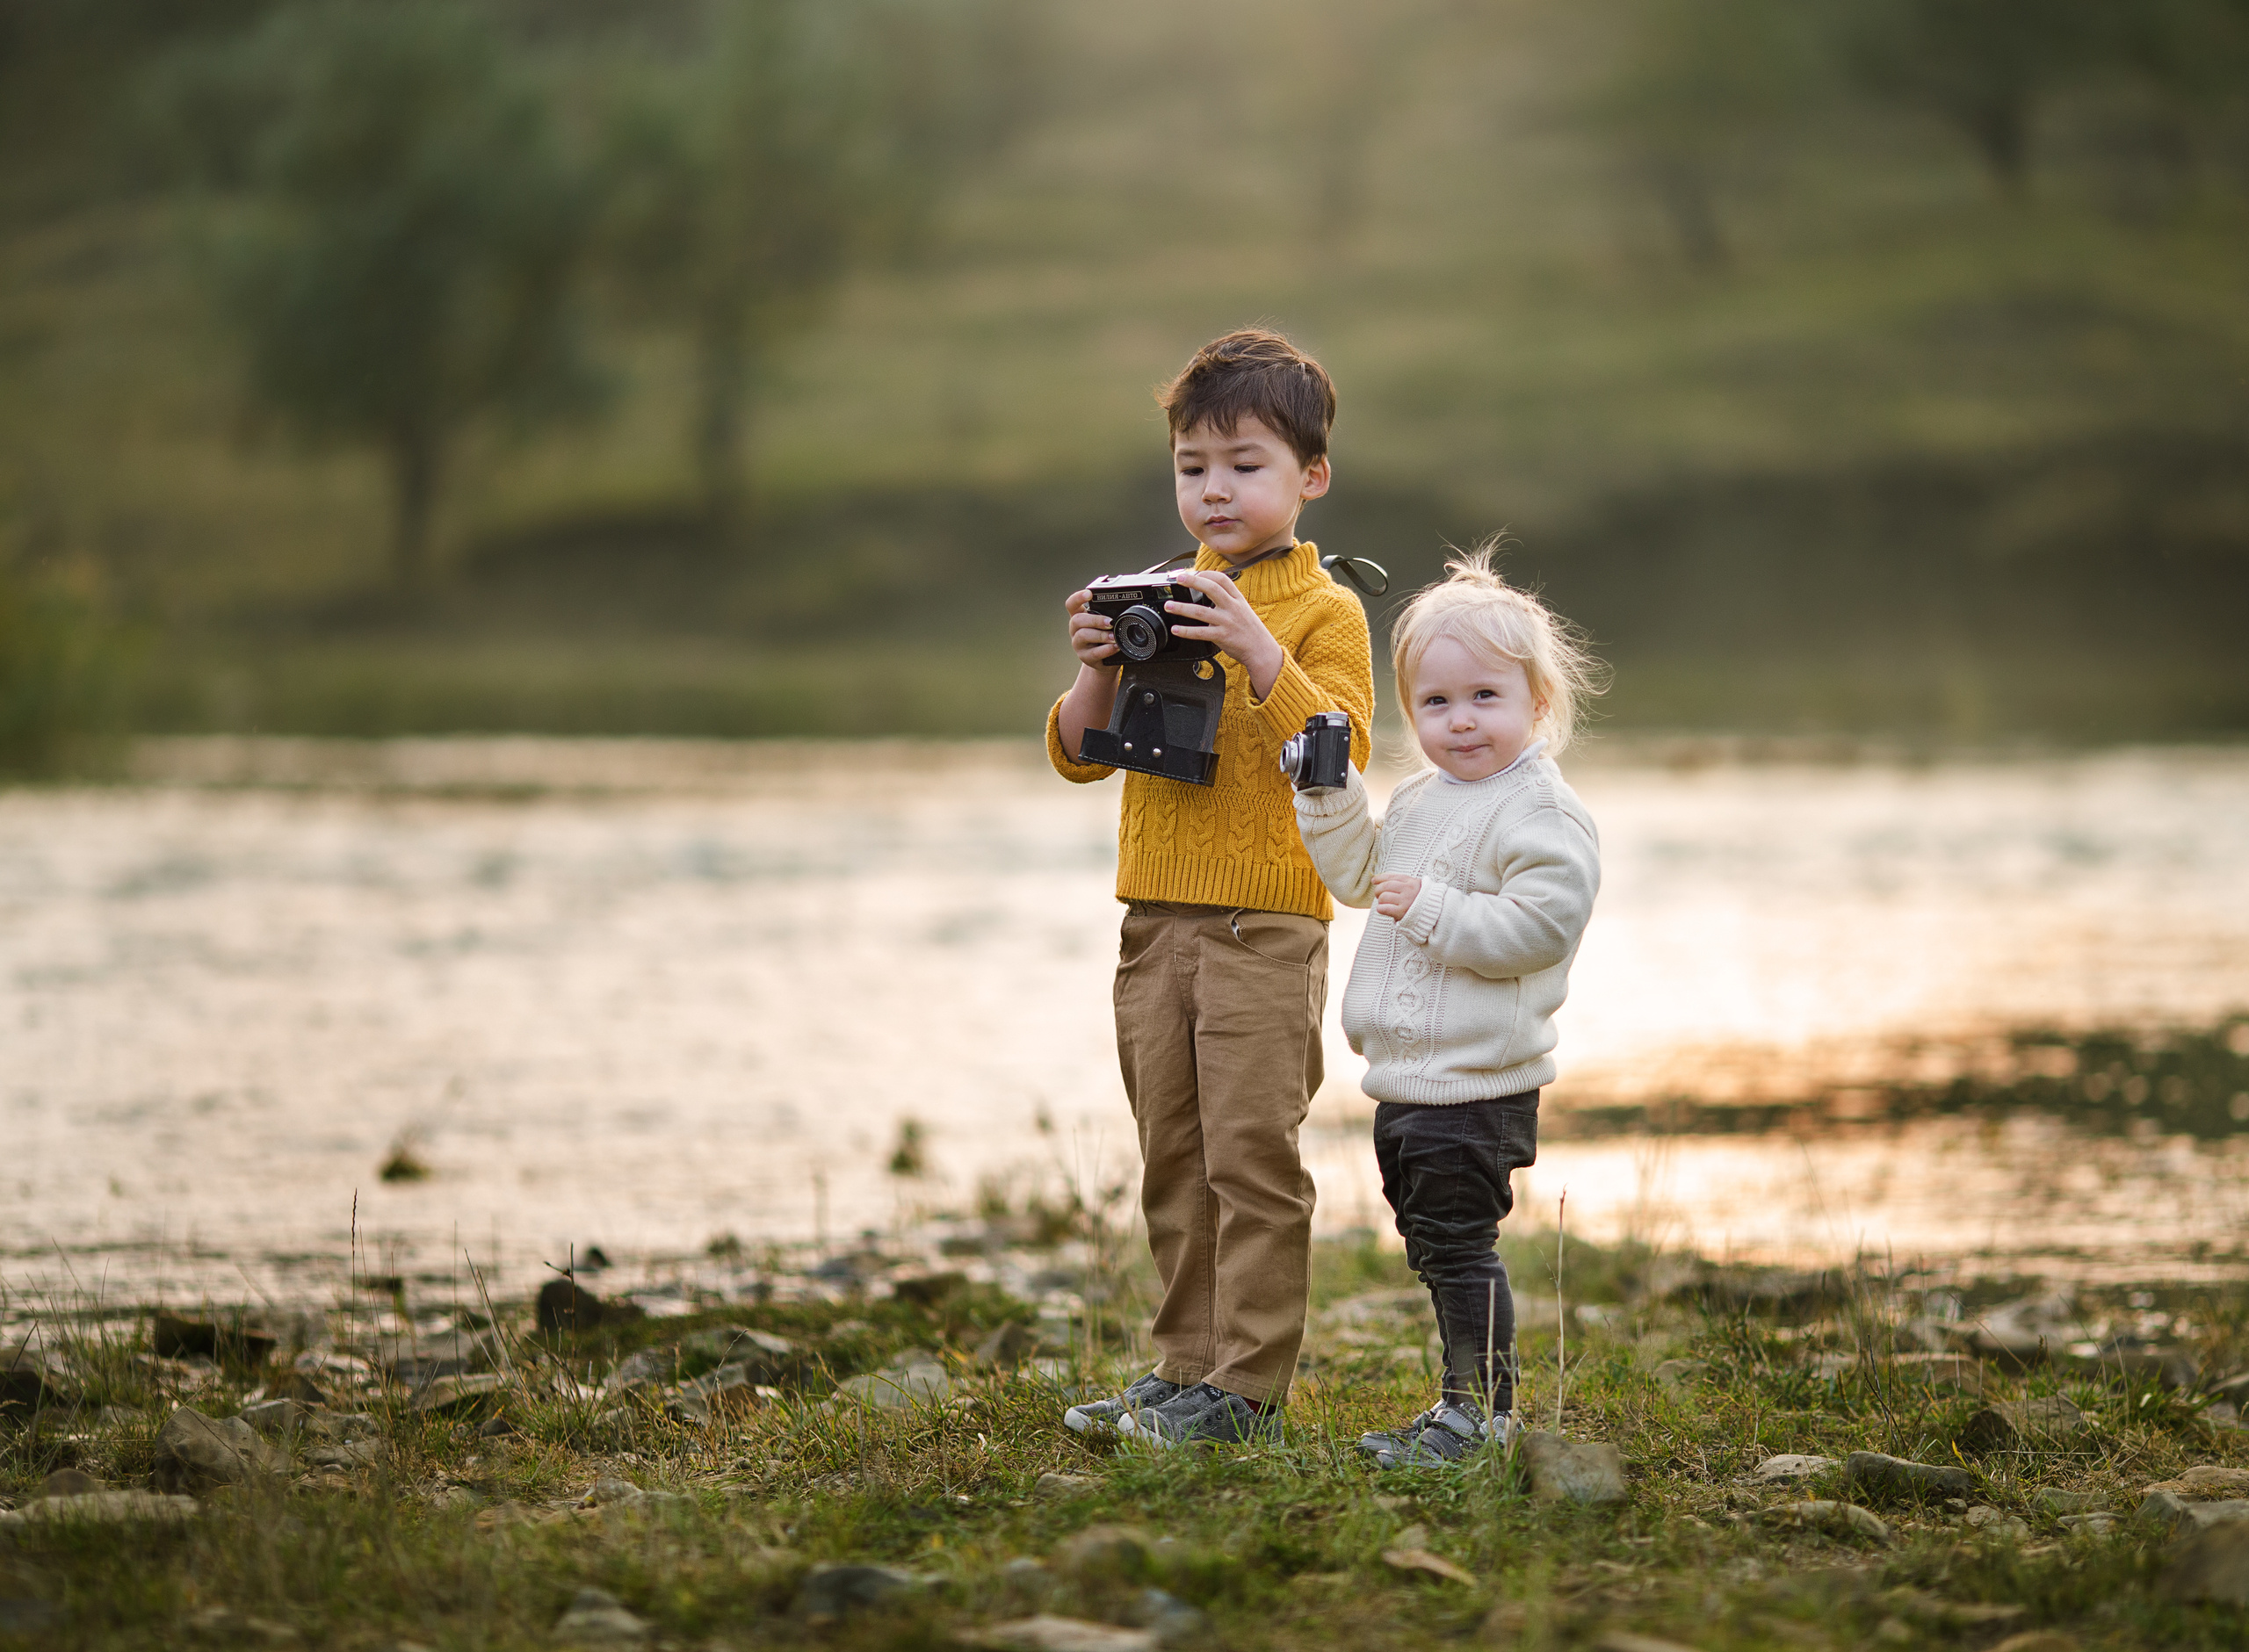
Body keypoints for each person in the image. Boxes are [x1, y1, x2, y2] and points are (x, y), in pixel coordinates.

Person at [1047, 328, 1376, 1448]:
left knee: (1251, 1156)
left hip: (1262, 926)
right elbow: (1077, 754)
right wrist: (1097, 658)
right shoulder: (1165, 592)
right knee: (1173, 1158)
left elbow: (1343, 748)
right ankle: (1183, 1368)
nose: (1214, 489)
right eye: (1192, 467)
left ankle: (1246, 1394)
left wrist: (1255, 650)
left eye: (1245, 465)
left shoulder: (1322, 613)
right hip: (1154, 927)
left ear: (1309, 478)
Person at [1291, 545, 1602, 1468]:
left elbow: (1537, 929)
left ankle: (1481, 1415)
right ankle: (1463, 1403)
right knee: (1434, 1243)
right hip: (1408, 1078)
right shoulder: (1427, 799)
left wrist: (1431, 909)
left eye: (1484, 699)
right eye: (1435, 703)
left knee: (1462, 1248)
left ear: (1536, 703)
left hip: (1477, 1080)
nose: (1459, 722)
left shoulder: (1540, 813)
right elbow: (1357, 876)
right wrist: (1328, 790)